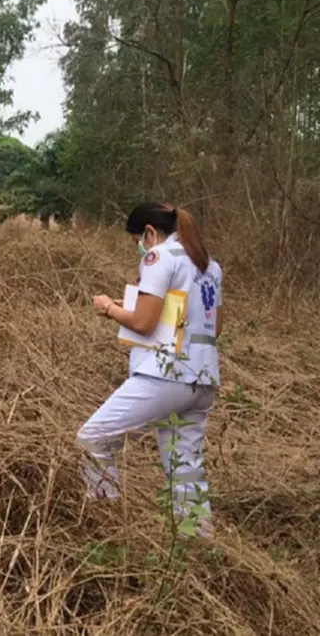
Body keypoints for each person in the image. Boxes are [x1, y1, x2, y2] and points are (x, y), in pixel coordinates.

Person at [81, 202, 224, 536]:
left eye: (137, 240)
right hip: (203, 378)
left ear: (149, 232)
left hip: (166, 374)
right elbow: (213, 327)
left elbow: (143, 323)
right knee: (185, 468)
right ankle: (196, 542)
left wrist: (108, 308)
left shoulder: (158, 257)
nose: (139, 248)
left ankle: (107, 527)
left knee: (92, 438)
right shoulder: (209, 266)